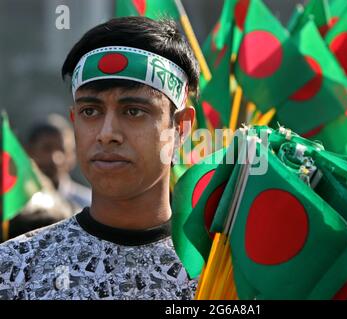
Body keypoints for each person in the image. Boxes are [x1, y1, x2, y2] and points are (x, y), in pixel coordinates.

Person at [0, 16, 199, 300]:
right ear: (74, 121)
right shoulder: (14, 270)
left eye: (133, 111)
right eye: (90, 111)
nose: (107, 134)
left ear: (180, 128)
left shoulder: (221, 278)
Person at [26, 114, 91, 211]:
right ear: (29, 151)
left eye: (63, 150)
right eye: (47, 149)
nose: (55, 159)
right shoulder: (20, 204)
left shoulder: (89, 205)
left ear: (73, 156)